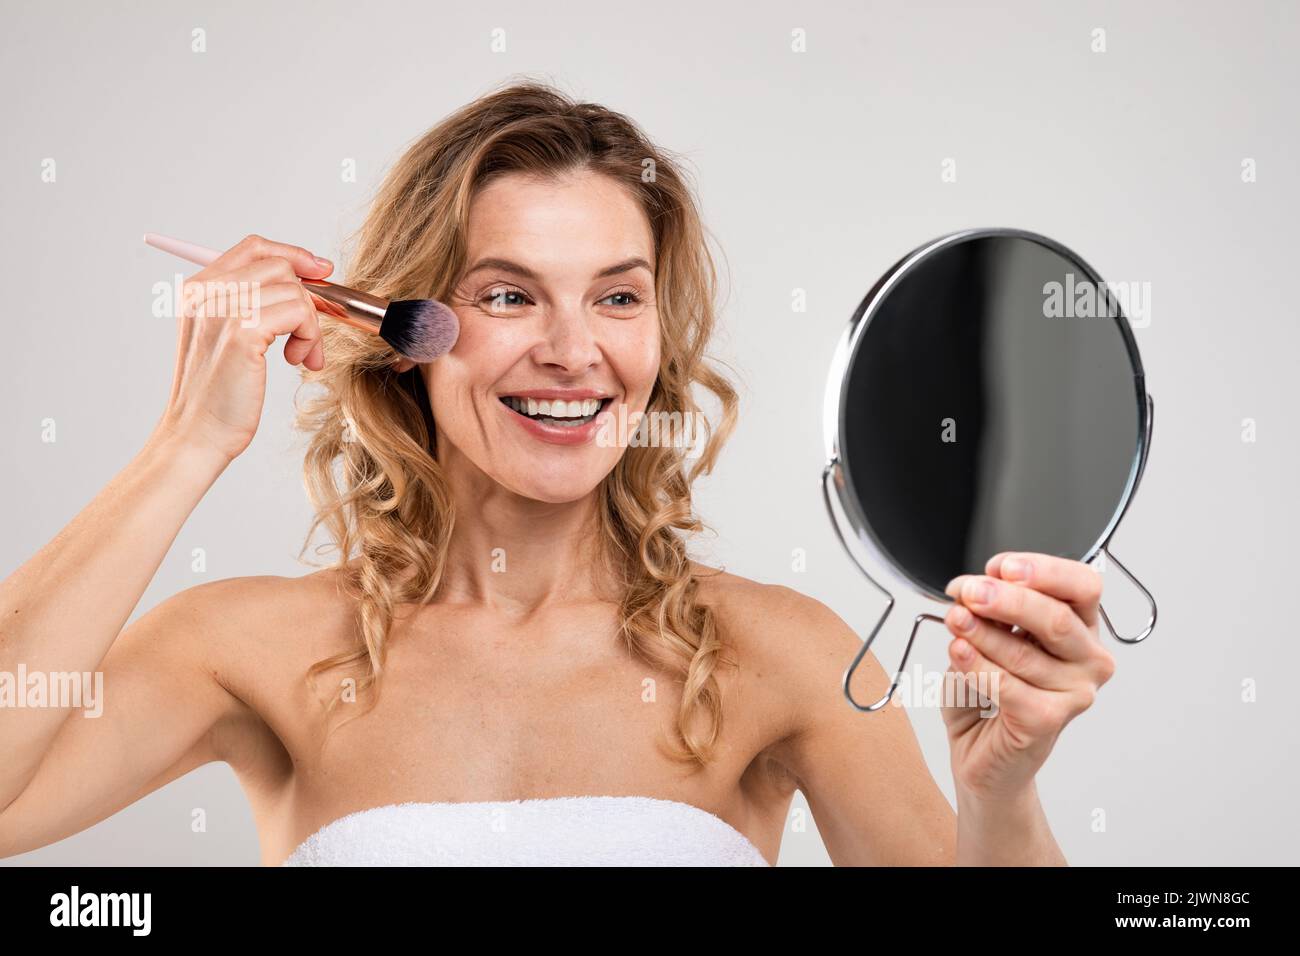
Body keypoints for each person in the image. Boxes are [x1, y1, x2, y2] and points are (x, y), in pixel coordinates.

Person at [0, 80, 1115, 866]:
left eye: (618, 296)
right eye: (506, 294)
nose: (574, 348)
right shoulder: (246, 648)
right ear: (408, 333)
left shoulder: (781, 655)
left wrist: (1000, 793)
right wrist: (184, 444)